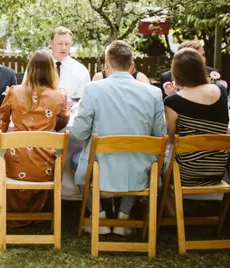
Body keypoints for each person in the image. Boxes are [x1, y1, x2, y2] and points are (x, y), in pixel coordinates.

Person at [71, 40, 166, 236]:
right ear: (132, 66)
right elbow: (159, 135)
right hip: (141, 173)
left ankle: (100, 217)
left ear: (106, 64)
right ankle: (124, 216)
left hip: (100, 172)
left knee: (74, 160)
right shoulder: (154, 93)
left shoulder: (93, 89)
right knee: (138, 162)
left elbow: (79, 133)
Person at [0, 51, 70, 233]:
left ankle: (7, 214)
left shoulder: (15, 92)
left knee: (2, 167)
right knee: (44, 162)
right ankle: (37, 215)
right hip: (45, 169)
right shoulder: (60, 97)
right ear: (52, 71)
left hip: (16, 166)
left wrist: (16, 129)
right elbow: (61, 124)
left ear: (30, 69)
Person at [164, 48, 229, 187]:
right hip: (217, 171)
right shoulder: (222, 91)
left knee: (157, 164)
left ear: (176, 72)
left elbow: (170, 139)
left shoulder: (172, 102)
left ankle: (166, 206)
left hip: (185, 174)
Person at [49, 26, 90, 100]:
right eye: (60, 43)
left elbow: (84, 101)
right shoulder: (37, 66)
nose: (63, 48)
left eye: (67, 44)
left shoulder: (81, 71)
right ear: (51, 43)